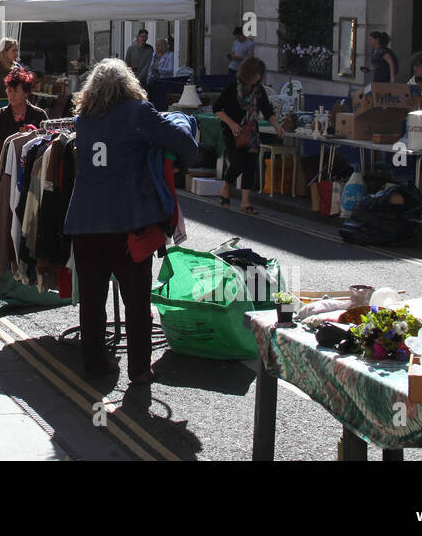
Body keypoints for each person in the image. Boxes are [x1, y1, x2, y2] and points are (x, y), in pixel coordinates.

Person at [64, 58, 200, 384]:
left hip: (85, 224)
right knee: (136, 301)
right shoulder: (137, 114)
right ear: (128, 84)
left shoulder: (82, 121)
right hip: (127, 226)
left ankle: (96, 363)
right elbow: (186, 146)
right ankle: (139, 369)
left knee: (93, 302)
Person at [215, 56, 284, 215]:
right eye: (256, 74)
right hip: (233, 132)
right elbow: (217, 108)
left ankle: (246, 203)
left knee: (250, 165)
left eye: (260, 74)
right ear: (248, 73)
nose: (259, 77)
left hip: (251, 132)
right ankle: (225, 189)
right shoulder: (233, 88)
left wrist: (277, 126)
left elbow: (267, 111)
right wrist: (232, 124)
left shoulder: (259, 90)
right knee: (238, 162)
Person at [0, 67, 46, 151]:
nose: (11, 95)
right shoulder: (1, 114)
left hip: (30, 162)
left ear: (26, 93)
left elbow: (46, 138)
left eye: (16, 91)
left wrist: (31, 134)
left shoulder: (39, 114)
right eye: (9, 91)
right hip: (5, 161)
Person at [147, 37, 176, 110]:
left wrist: (158, 69)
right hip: (153, 81)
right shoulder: (154, 55)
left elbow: (171, 70)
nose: (157, 47)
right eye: (156, 45)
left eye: (159, 45)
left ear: (164, 46)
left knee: (161, 101)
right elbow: (150, 68)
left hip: (163, 81)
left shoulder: (170, 55)